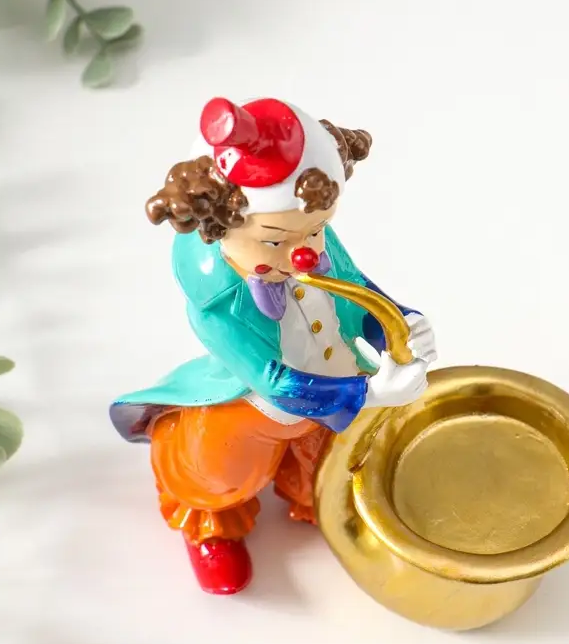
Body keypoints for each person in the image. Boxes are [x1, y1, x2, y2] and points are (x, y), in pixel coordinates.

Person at [110, 97, 437, 594]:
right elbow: (274, 382)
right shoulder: (216, 302)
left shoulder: (305, 234)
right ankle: (212, 524)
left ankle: (320, 499)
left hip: (329, 385)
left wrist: (399, 323)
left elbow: (355, 289)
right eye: (275, 240)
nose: (306, 253)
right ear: (222, 229)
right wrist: (368, 394)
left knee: (336, 458)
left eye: (317, 229)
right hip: (256, 409)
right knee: (216, 463)